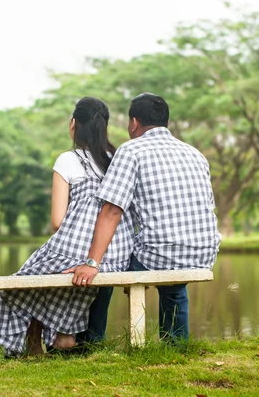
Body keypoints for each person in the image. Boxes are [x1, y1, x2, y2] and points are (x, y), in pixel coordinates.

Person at [66, 93, 221, 342]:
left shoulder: (131, 151)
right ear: (166, 123)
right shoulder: (195, 154)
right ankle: (176, 345)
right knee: (173, 279)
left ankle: (90, 342)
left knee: (107, 267)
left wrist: (92, 263)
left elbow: (112, 210)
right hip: (202, 253)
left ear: (134, 123)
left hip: (158, 254)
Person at [0, 97, 135, 356]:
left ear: (73, 125)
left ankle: (38, 344)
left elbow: (57, 222)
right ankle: (64, 334)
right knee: (53, 275)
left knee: (27, 280)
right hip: (116, 254)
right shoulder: (119, 159)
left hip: (80, 250)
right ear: (105, 127)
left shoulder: (68, 160)